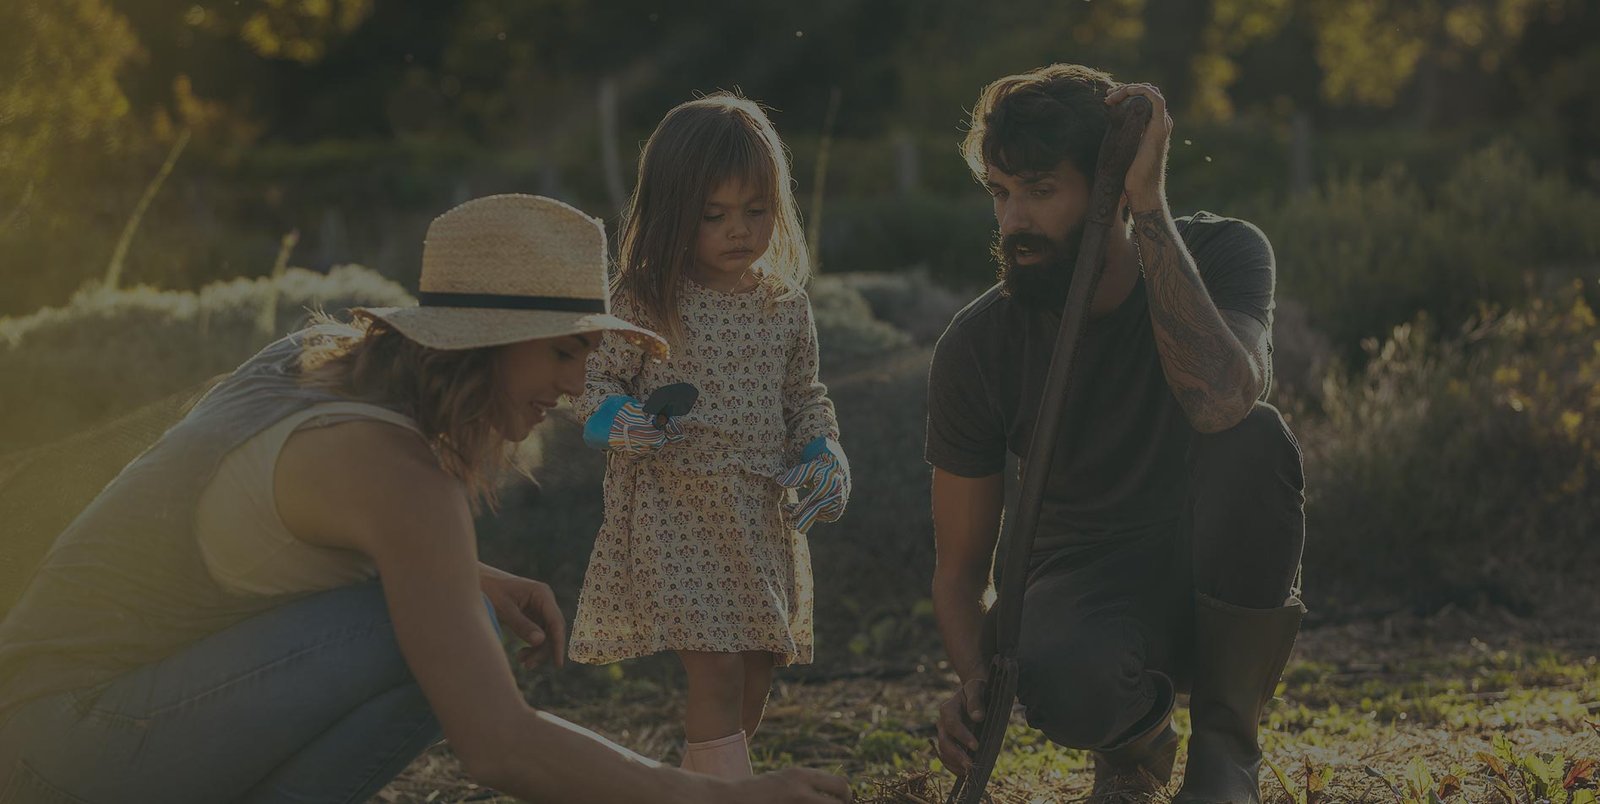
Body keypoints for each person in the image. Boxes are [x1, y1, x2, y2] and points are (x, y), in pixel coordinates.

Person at [0, 194, 851, 804]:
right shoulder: (398, 474)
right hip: (61, 751)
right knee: (447, 641)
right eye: (563, 353)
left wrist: (463, 574)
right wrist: (717, 797)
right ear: (486, 345)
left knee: (452, 615)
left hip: (41, 722)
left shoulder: (312, 365)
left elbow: (255, 529)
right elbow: (500, 746)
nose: (574, 386)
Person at [927, 64, 1306, 803]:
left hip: (1214, 565)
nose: (1013, 222)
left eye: (1041, 191)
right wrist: (975, 681)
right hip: (1085, 581)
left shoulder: (1226, 253)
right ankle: (1134, 745)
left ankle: (1226, 751)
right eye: (1001, 193)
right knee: (1062, 673)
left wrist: (1148, 203)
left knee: (1255, 436)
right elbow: (959, 571)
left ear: (1112, 187)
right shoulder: (977, 345)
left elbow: (1221, 403)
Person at [569, 92, 850, 779]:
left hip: (758, 513)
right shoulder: (644, 298)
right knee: (717, 669)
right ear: (673, 212)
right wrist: (618, 420)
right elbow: (592, 380)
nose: (739, 231)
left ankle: (697, 787)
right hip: (678, 509)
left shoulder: (784, 305)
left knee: (754, 672)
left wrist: (824, 451)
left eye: (756, 210)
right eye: (713, 214)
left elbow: (803, 398)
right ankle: (725, 796)